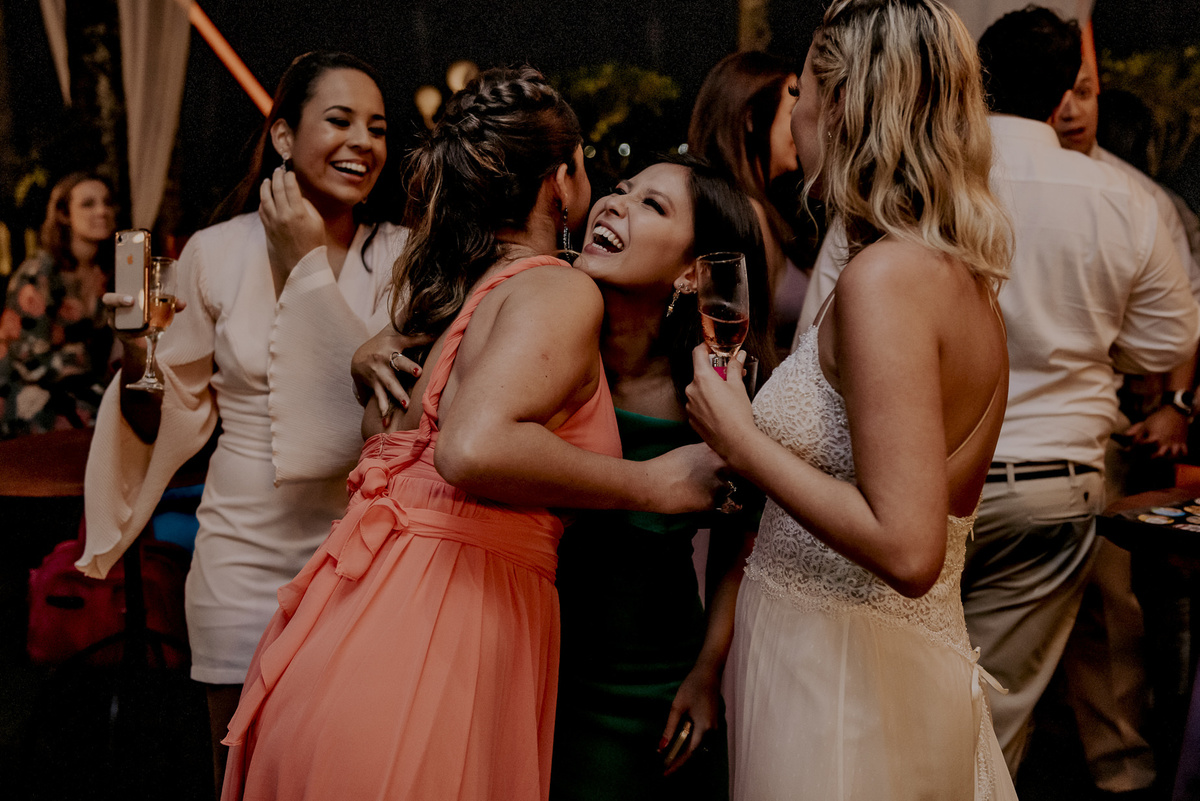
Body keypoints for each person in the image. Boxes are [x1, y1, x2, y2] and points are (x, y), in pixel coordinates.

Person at [220, 67, 723, 801]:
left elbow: (389, 443)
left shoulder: (452, 297)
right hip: (436, 642)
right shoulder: (555, 285)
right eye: (594, 171)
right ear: (560, 182)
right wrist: (659, 482)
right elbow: (471, 448)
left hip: (350, 634)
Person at [684, 0, 1019, 797]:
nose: (794, 106)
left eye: (804, 86)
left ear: (841, 103)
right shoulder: (943, 273)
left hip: (847, 682)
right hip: (845, 662)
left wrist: (743, 441)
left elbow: (908, 547)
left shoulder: (890, 280)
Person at [79, 51, 409, 788]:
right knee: (238, 770)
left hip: (362, 555)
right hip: (239, 552)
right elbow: (161, 410)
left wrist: (305, 265)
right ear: (285, 137)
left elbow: (393, 414)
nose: (364, 142)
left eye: (378, 128)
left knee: (347, 769)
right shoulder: (215, 251)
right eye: (341, 120)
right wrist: (136, 355)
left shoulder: (401, 256)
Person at [963, 7, 1198, 776]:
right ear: (1065, 88)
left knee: (901, 689)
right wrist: (1096, 337)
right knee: (988, 720)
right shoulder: (1123, 198)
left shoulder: (931, 172)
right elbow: (1169, 342)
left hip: (926, 476)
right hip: (1052, 484)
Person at [549, 157, 775, 801]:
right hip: (544, 671)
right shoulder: (544, 353)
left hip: (662, 685)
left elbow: (740, 540)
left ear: (692, 272)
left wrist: (706, 673)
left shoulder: (711, 392)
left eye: (653, 205)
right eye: (621, 190)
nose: (614, 204)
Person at [1050, 57, 1200, 798]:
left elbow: (1183, 323)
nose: (1074, 108)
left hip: (1103, 422)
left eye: (1087, 93)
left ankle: (1124, 773)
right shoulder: (988, 182)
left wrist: (1177, 405)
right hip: (994, 426)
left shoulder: (1139, 199)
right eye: (1063, 92)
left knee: (1108, 606)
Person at [688, 52, 811, 349]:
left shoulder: (766, 205)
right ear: (752, 118)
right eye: (793, 109)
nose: (803, 123)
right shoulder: (744, 215)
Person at [1, 172, 116, 438]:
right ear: (64, 214)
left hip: (81, 385)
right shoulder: (40, 271)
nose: (102, 211)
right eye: (88, 204)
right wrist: (91, 370)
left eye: (107, 202)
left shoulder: (107, 271)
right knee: (103, 418)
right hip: (26, 387)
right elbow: (28, 359)